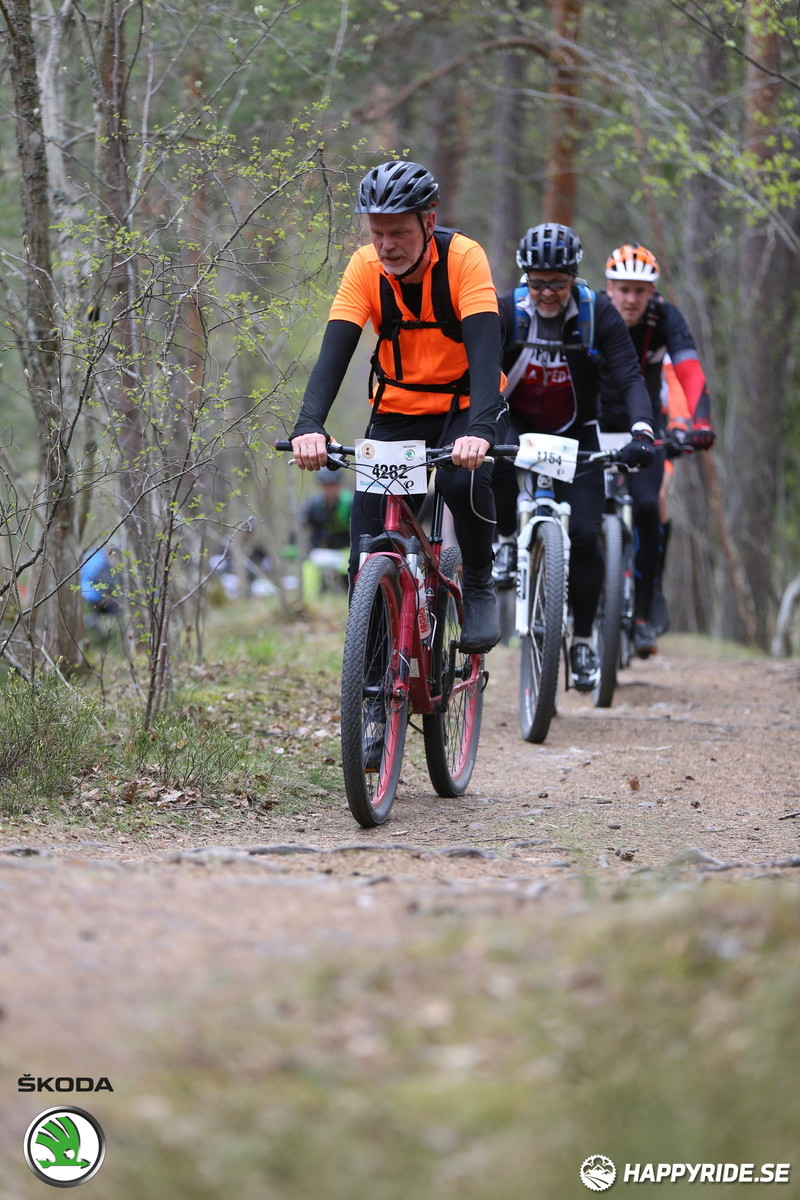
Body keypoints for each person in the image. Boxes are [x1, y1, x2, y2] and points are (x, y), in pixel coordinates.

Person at [289, 159, 507, 653]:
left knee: (460, 478)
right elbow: (334, 354)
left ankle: (476, 581)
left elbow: (487, 352)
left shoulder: (464, 259)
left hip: (465, 410)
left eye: (398, 233)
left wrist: (483, 430)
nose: (385, 246)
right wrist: (309, 425)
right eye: (376, 233)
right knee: (366, 547)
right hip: (397, 413)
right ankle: (370, 680)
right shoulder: (365, 267)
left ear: (429, 222)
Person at [491, 222, 655, 692]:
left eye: (557, 284)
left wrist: (642, 429)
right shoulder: (507, 310)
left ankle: (582, 640)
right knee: (491, 460)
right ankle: (504, 542)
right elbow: (479, 372)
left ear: (574, 279)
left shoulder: (596, 311)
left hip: (575, 434)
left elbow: (628, 374)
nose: (546, 293)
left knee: (585, 536)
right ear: (525, 276)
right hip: (516, 425)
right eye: (537, 283)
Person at [600, 243, 715, 657]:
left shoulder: (665, 317)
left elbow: (689, 369)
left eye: (640, 290)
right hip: (593, 421)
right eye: (623, 289)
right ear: (608, 287)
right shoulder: (592, 310)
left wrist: (699, 423)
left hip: (644, 425)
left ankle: (645, 612)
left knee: (648, 505)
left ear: (652, 292)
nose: (631, 298)